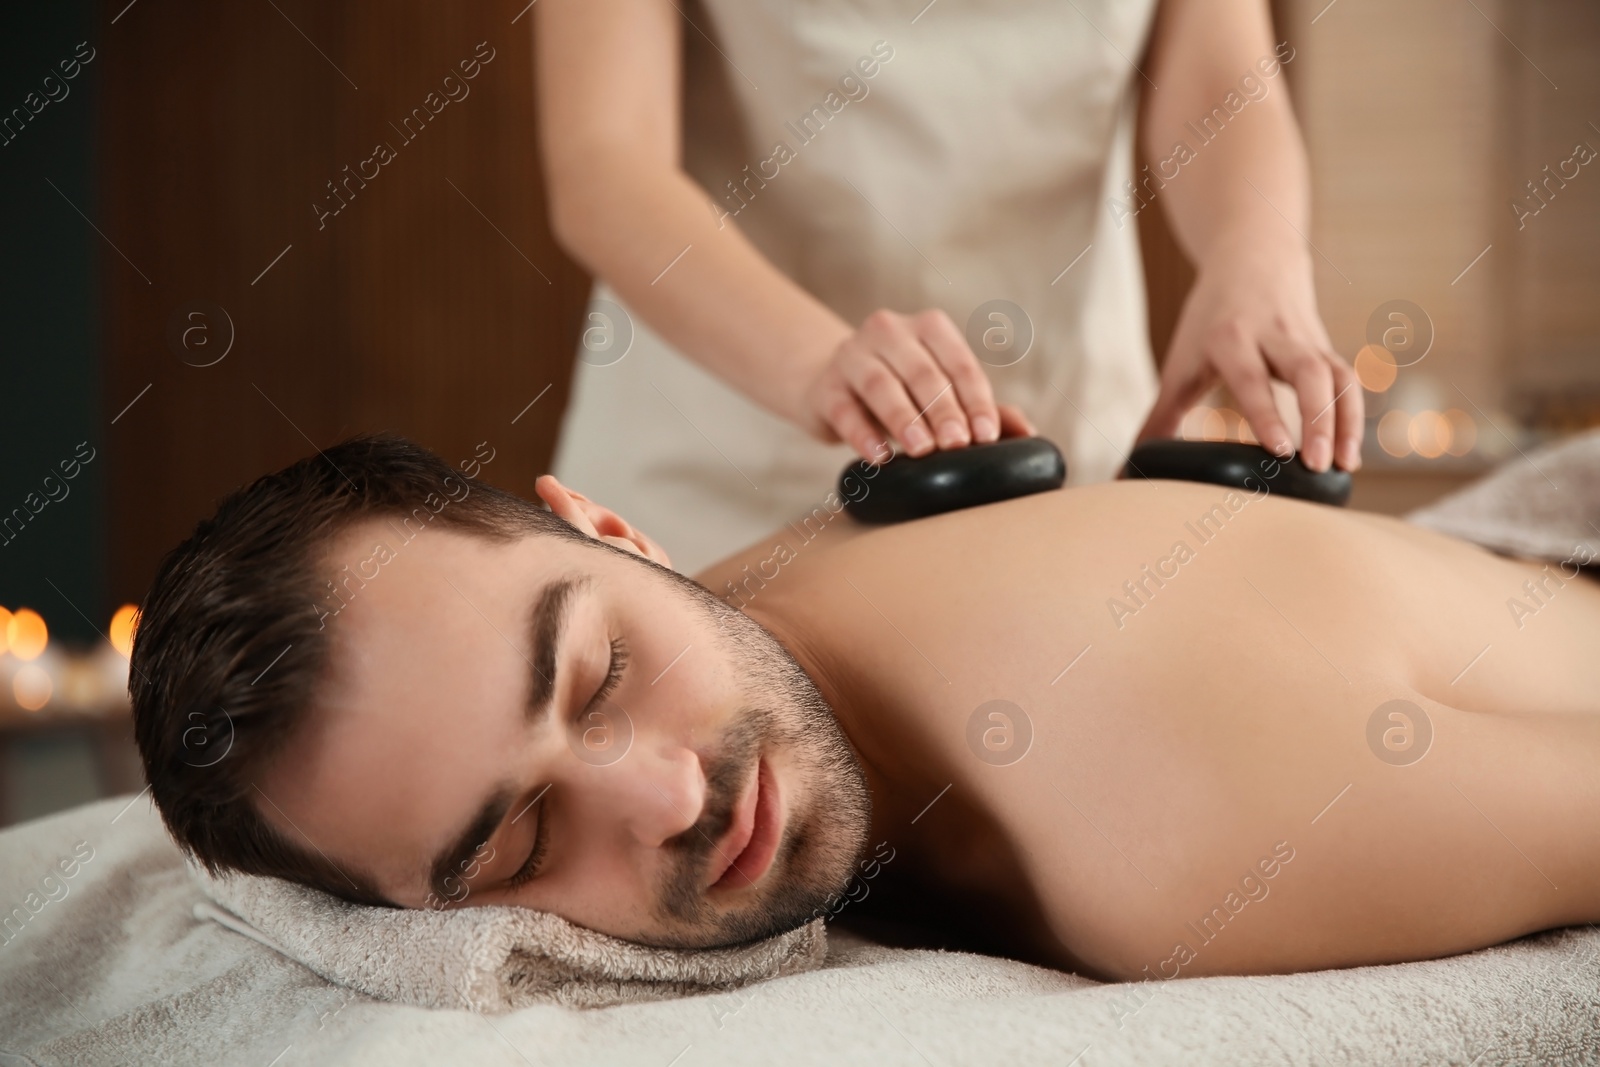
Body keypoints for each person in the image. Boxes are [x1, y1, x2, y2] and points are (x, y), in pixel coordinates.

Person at [128, 435, 1598, 981]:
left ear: (616, 530)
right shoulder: (747, 589)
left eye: (601, 673)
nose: (670, 800)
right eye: (517, 846)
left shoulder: (1163, 822)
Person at [535, 0, 1365, 574]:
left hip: (1062, 447)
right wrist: (819, 365)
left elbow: (1223, 78)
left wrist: (1258, 256)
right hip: (724, 455)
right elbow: (606, 160)